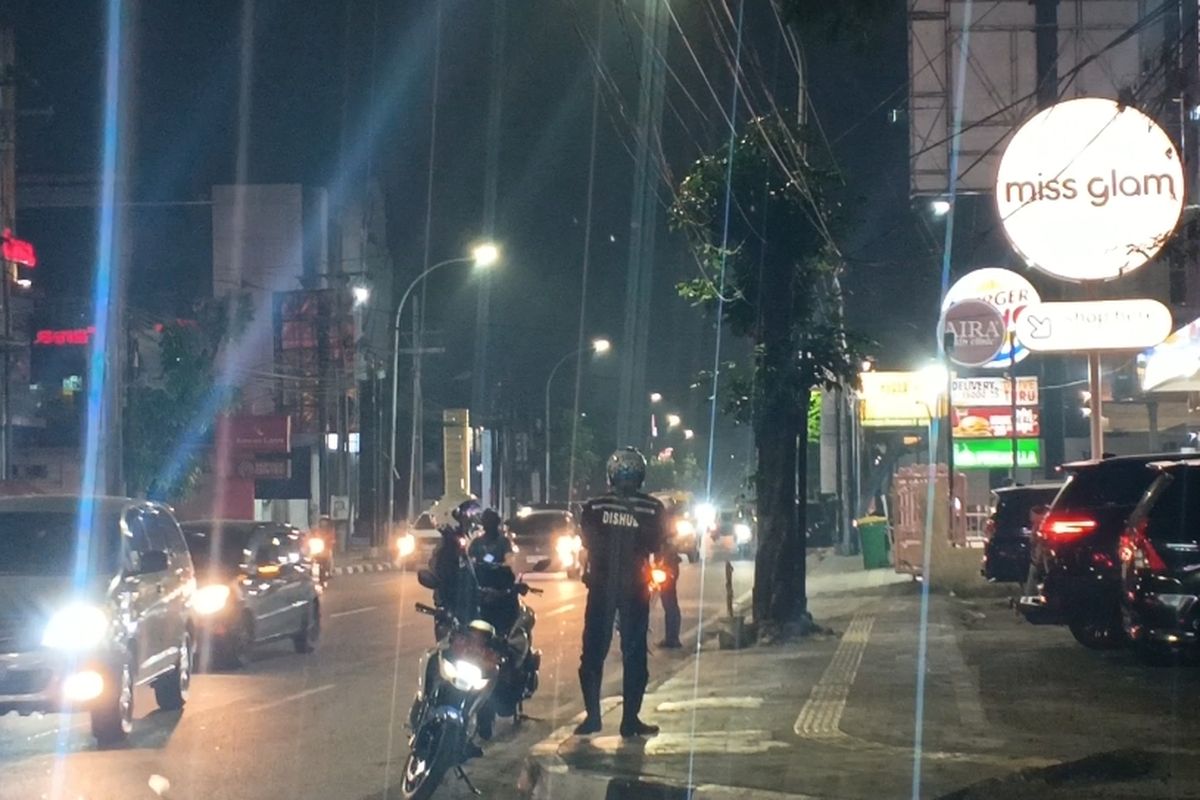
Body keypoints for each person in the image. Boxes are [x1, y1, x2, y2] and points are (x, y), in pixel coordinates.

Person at [575, 446, 667, 738]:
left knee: (592, 654)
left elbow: (589, 542)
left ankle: (593, 717)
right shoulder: (652, 508)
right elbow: (655, 545)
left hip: (602, 588)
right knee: (635, 655)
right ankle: (630, 720)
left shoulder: (594, 507)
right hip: (634, 589)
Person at [657, 503, 683, 649]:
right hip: (665, 567)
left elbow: (669, 549)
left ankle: (672, 638)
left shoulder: (670, 529)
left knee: (669, 602)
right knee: (668, 602)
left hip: (668, 567)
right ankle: (671, 637)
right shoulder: (668, 527)